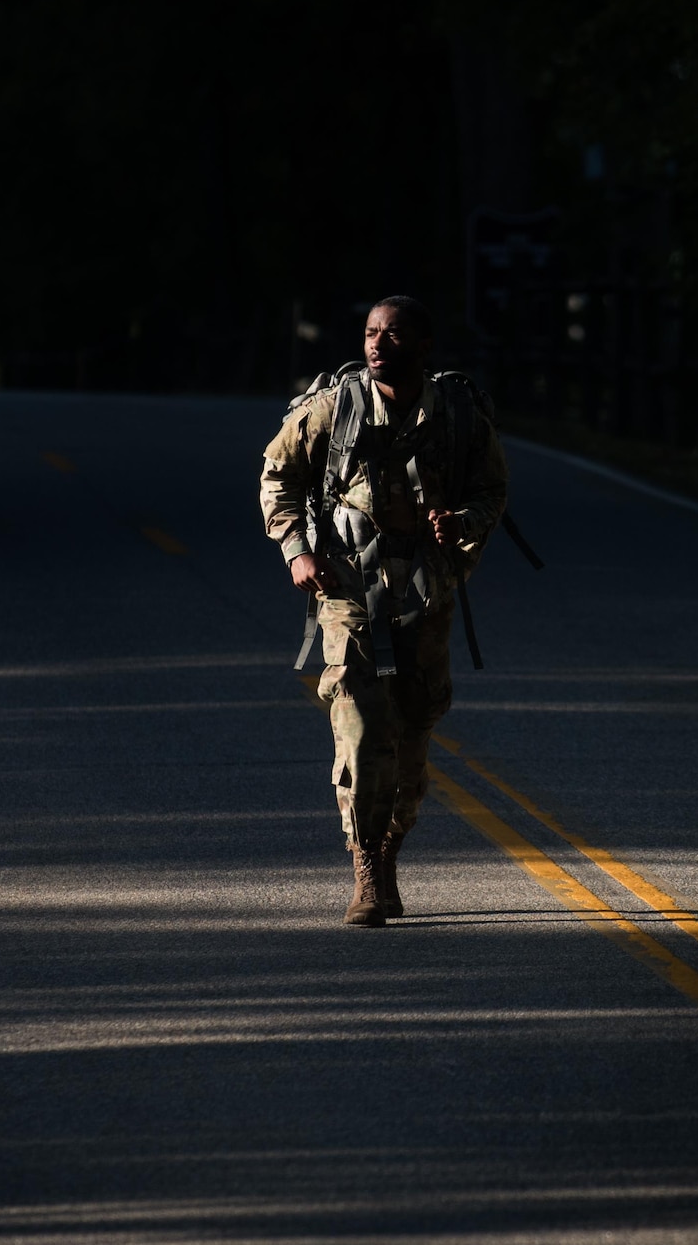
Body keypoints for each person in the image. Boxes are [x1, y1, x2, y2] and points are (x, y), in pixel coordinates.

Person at [259, 296, 509, 926]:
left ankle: (391, 846)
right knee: (364, 730)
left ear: (423, 346)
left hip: (427, 594)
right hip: (349, 593)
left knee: (413, 739)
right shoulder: (331, 408)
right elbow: (277, 472)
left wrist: (463, 524)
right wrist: (296, 550)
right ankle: (365, 864)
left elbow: (490, 488)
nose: (377, 344)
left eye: (393, 335)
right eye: (371, 333)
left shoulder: (456, 415)